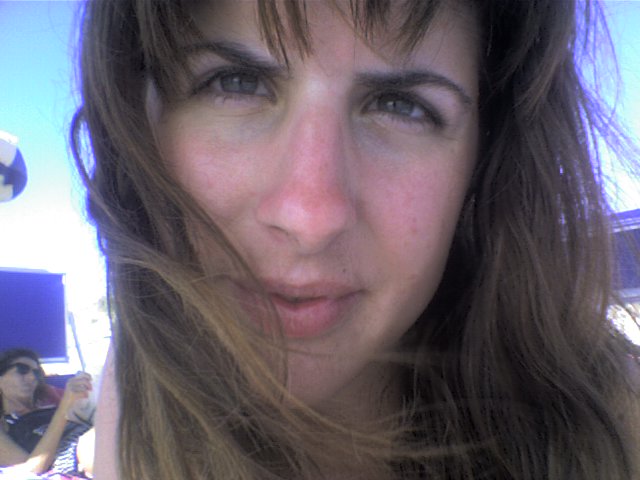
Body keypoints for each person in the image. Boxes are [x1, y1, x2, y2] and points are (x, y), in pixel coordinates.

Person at [71, 0, 640, 479]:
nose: (309, 218)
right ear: (138, 118)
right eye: (235, 82)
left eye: (402, 106)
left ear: (483, 167)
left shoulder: (609, 417)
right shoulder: (139, 390)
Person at [0, 349, 93, 477]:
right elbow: (29, 471)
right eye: (22, 370)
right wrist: (64, 408)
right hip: (77, 456)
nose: (32, 377)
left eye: (36, 372)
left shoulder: (51, 406)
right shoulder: (4, 425)